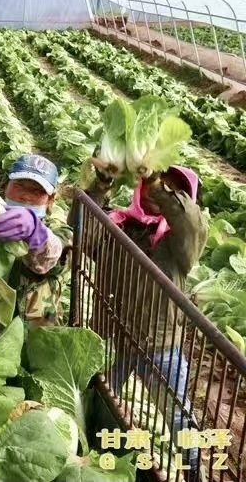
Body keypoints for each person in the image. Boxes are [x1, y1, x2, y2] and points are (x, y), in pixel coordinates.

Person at [78, 161, 206, 480]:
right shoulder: (118, 224)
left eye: (173, 188)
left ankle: (193, 472)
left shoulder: (180, 244)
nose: (157, 188)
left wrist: (156, 182)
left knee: (178, 417)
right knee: (101, 403)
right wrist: (102, 182)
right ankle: (99, 462)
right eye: (154, 181)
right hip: (111, 339)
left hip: (159, 345)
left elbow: (189, 223)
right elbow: (83, 230)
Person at [0, 154, 72, 340]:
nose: (25, 195)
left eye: (37, 191)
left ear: (50, 200)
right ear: (6, 186)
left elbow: (55, 256)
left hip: (29, 340)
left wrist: (35, 233)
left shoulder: (58, 230)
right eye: (19, 186)